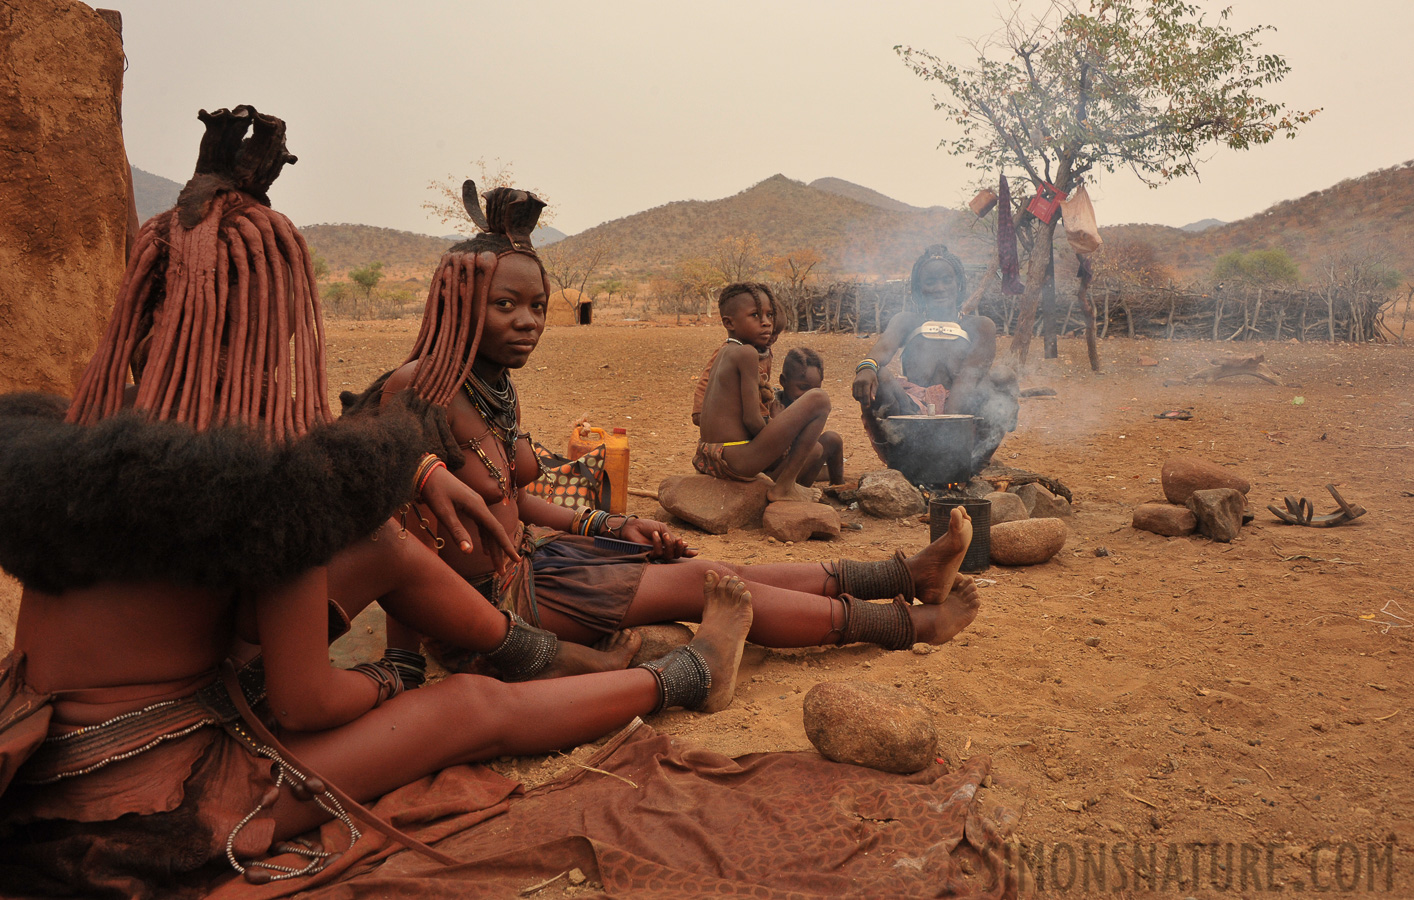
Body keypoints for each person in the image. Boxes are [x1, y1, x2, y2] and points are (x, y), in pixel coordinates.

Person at [0, 111, 753, 898]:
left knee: (378, 548)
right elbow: (307, 702)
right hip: (151, 803)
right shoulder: (264, 486)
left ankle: (558, 659)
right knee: (466, 707)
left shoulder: (74, 442)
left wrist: (419, 478)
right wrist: (394, 678)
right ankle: (684, 677)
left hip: (44, 762)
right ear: (277, 322)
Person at [356, 187, 983, 677]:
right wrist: (407, 658)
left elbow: (503, 501)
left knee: (714, 565)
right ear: (458, 302)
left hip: (535, 563)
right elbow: (389, 527)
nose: (528, 323)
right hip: (492, 607)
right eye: (505, 306)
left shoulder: (490, 383)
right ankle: (908, 627)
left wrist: (611, 525)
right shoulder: (417, 388)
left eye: (538, 307)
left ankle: (904, 576)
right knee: (700, 585)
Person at [852, 244, 1019, 473]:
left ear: (958, 283)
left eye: (946, 280)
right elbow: (881, 350)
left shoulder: (980, 327)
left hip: (964, 411)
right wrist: (866, 368)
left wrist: (948, 426)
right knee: (878, 375)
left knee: (1004, 377)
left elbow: (969, 378)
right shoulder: (906, 321)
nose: (939, 288)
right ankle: (904, 456)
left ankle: (974, 463)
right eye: (930, 282)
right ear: (919, 288)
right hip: (910, 414)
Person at [694, 283, 830, 502]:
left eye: (769, 315)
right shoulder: (746, 353)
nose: (766, 322)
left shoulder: (726, 351)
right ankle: (784, 487)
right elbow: (751, 420)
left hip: (709, 456)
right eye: (755, 315)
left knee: (811, 445)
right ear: (729, 322)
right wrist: (782, 441)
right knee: (819, 399)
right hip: (736, 459)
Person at [776, 346, 845, 485]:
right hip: (778, 475)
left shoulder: (814, 408)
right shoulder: (773, 405)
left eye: (816, 390)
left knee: (832, 439)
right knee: (815, 449)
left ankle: (838, 487)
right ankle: (786, 490)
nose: (810, 396)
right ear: (783, 381)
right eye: (803, 387)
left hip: (802, 466)